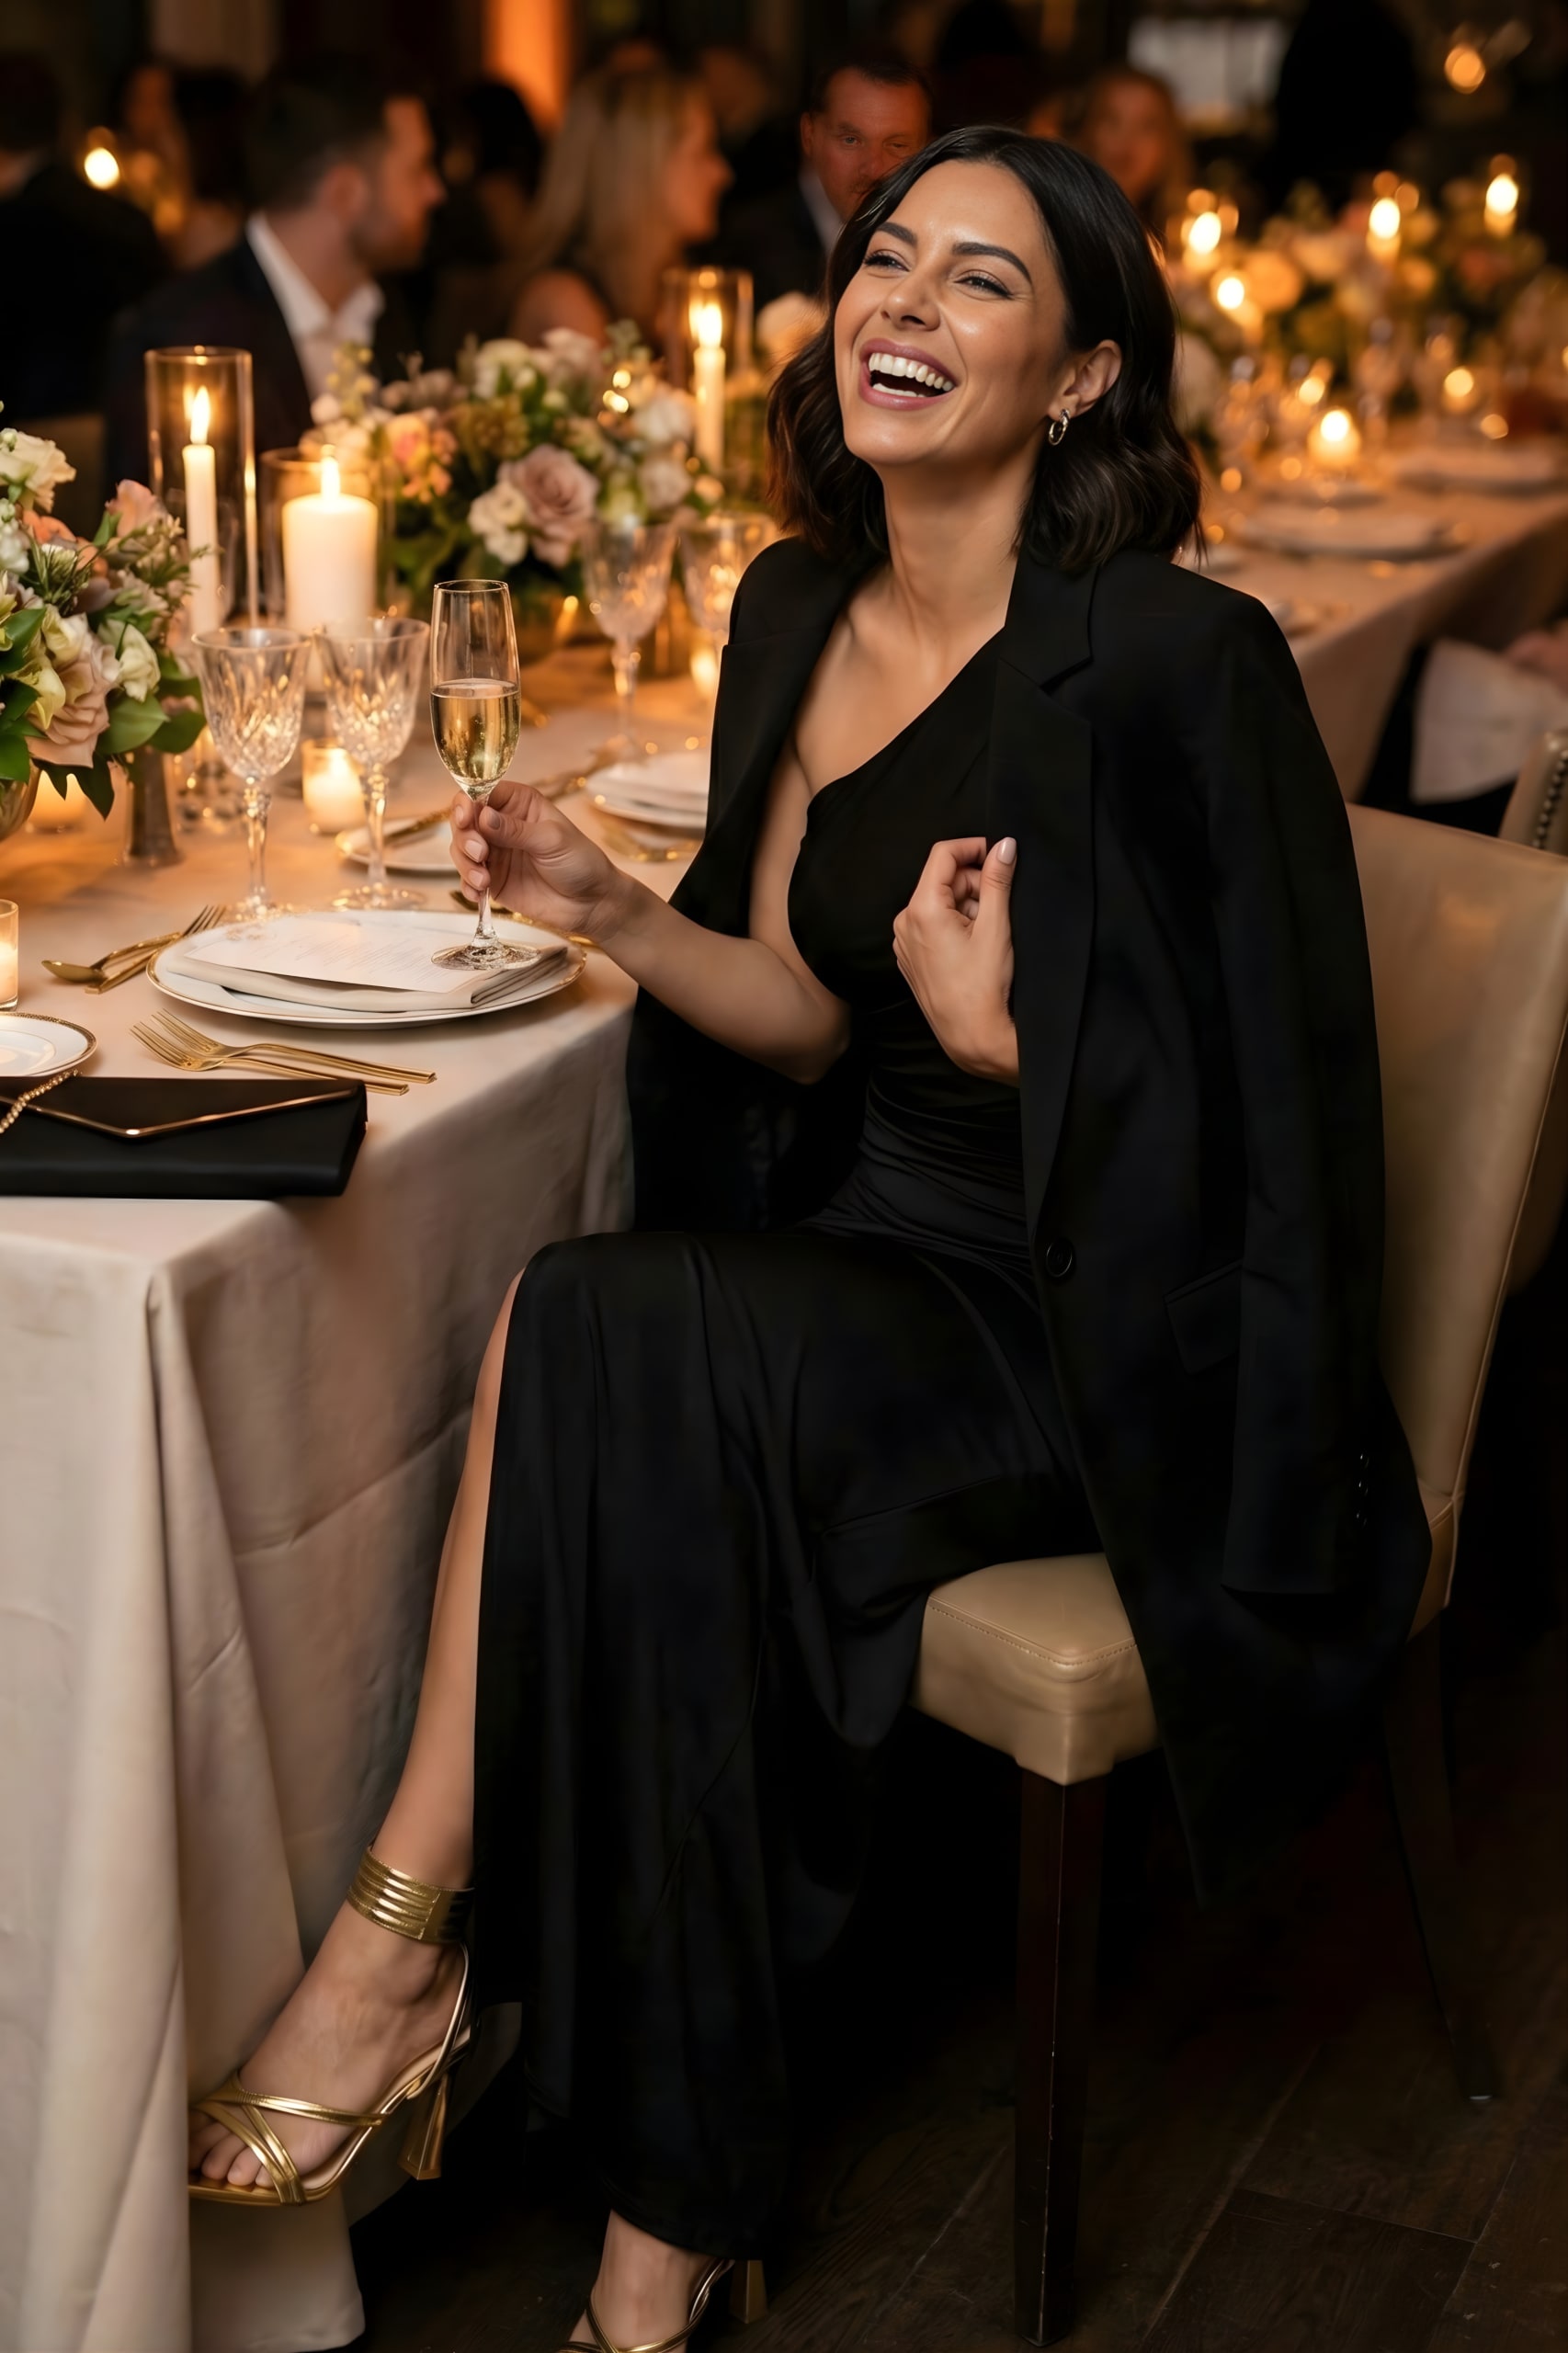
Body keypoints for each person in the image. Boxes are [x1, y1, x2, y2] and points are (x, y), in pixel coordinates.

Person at [184, 127, 1429, 2353]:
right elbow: (788, 1004)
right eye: (883, 260)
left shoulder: (1176, 658)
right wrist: (609, 908)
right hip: (876, 1265)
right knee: (619, 1343)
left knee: (621, 1341)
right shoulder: (791, 602)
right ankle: (647, 2207)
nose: (903, 306)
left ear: (1078, 375)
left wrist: (1009, 1044)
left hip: (1092, 1325)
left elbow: (1295, 1137)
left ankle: (414, 1966)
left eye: (979, 281)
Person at [104, 56, 443, 489]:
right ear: (345, 192)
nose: (435, 191)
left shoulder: (390, 310)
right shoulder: (182, 338)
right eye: (419, 169)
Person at [508, 63, 730, 347]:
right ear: (643, 168)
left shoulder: (661, 287)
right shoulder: (564, 302)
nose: (721, 173)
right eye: (702, 152)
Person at [0, 51, 164, 425]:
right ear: (62, 125)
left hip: (24, 439)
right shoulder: (126, 219)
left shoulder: (12, 227)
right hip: (130, 426)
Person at [719, 48, 931, 311]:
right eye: (851, 140)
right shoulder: (745, 245)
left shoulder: (938, 243)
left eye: (897, 145)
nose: (874, 168)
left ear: (927, 149)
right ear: (809, 135)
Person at [1073, 63, 1188, 244]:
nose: (1128, 141)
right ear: (1086, 130)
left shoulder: (1174, 235)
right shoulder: (1061, 231)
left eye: (1147, 127)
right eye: (1112, 121)